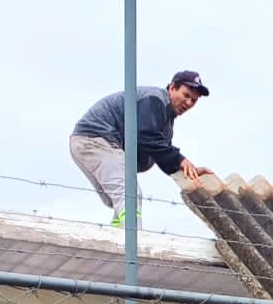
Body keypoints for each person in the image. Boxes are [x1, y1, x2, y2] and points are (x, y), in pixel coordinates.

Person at [69, 71, 214, 226]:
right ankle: (132, 245)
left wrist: (184, 168)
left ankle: (117, 239)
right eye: (186, 95)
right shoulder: (154, 99)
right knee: (130, 195)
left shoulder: (166, 120)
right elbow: (145, 135)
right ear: (172, 88)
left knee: (121, 198)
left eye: (194, 100)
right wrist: (180, 159)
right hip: (95, 140)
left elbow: (161, 151)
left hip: (92, 143)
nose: (189, 103)